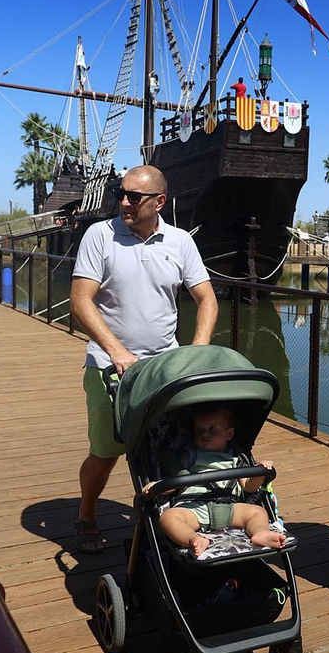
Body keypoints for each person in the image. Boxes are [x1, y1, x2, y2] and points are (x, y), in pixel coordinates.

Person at [70, 165, 219, 553]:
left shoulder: (181, 241)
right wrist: (117, 351)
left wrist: (198, 350)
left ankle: (162, 522)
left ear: (159, 202)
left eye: (134, 197)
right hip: (108, 367)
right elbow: (81, 300)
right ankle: (87, 512)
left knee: (170, 451)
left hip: (164, 369)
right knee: (105, 454)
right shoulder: (99, 236)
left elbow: (206, 297)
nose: (123, 202)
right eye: (121, 193)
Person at [146, 405, 285, 557]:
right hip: (194, 508)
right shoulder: (190, 456)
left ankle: (260, 533)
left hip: (230, 507)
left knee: (258, 512)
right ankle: (193, 539)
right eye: (199, 430)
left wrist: (259, 472)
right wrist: (158, 486)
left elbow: (249, 487)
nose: (205, 434)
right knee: (168, 518)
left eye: (212, 429)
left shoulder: (236, 459)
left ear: (229, 434)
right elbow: (176, 481)